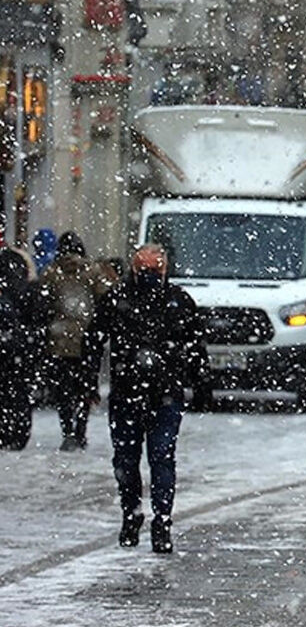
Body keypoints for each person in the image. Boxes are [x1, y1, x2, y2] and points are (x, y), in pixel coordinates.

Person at [84, 245, 207, 553]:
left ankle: (161, 520)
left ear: (165, 270)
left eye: (155, 268)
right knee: (129, 459)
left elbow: (195, 346)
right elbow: (94, 340)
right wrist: (87, 383)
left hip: (163, 393)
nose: (150, 274)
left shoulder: (177, 301)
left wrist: (199, 382)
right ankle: (133, 514)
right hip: (130, 393)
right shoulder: (120, 299)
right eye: (145, 268)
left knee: (159, 457)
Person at [37, 232, 110, 451]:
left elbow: (43, 303)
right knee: (85, 387)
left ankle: (67, 430)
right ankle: (81, 430)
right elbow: (105, 299)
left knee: (63, 390)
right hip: (86, 339)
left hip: (58, 340)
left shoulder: (52, 272)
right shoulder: (93, 271)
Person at [0, 248, 39, 450]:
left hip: (14, 347)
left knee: (11, 391)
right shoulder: (28, 288)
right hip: (21, 349)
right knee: (19, 392)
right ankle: (16, 433)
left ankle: (9, 432)